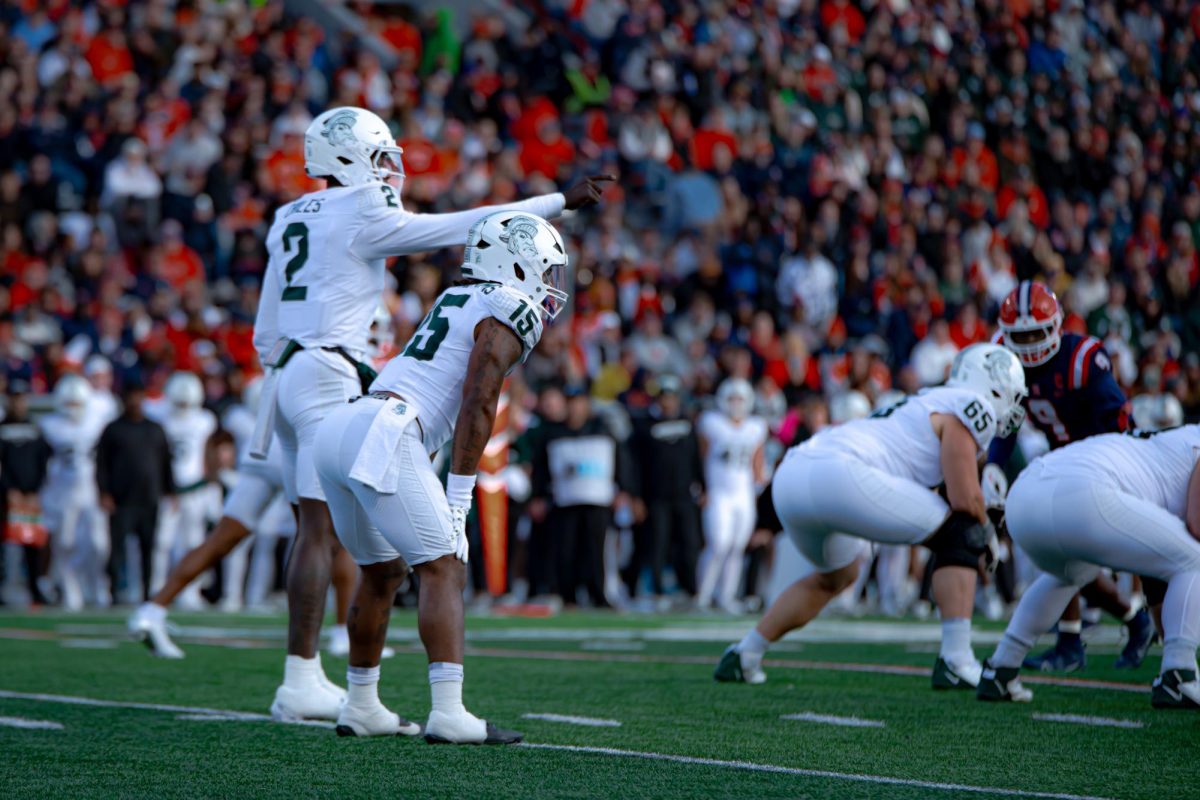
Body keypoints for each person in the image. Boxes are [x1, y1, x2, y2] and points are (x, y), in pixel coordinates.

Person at [252, 105, 612, 722]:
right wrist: (557, 202)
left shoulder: (290, 214)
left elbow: (266, 321)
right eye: (382, 155)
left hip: (291, 377)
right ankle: (406, 702)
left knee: (375, 564)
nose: (391, 170)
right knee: (432, 559)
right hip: (340, 379)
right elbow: (458, 227)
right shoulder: (382, 221)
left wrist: (281, 369)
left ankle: (358, 703)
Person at [314, 210, 568, 743]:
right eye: (544, 270)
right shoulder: (508, 305)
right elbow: (480, 398)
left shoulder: (460, 297)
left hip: (342, 429)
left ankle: (360, 704)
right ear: (516, 265)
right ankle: (449, 713)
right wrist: (460, 496)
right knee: (444, 567)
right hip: (387, 429)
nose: (549, 286)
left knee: (382, 572)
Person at [716, 344, 1026, 689]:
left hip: (793, 473)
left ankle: (745, 654)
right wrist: (986, 529)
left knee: (836, 575)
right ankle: (956, 658)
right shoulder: (970, 405)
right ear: (993, 386)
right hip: (841, 475)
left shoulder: (927, 399)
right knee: (963, 530)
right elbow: (963, 498)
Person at [990, 281, 1154, 672]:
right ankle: (1116, 625)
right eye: (1020, 336)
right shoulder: (1004, 358)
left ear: (1055, 326)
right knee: (1063, 552)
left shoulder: (1082, 357)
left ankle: (1150, 631)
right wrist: (994, 464)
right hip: (1061, 459)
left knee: (1087, 552)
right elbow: (1008, 422)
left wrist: (1112, 469)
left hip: (1103, 456)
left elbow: (1117, 420)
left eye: (1035, 333)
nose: (1028, 344)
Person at [978, 426, 1200, 709]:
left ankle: (1002, 667)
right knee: (1194, 558)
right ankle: (1179, 673)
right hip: (1084, 491)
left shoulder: (1172, 442)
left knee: (1069, 573)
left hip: (1025, 495)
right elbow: (1197, 523)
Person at [127, 377, 286, 659]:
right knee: (322, 537)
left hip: (245, 470)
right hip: (275, 459)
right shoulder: (235, 416)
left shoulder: (210, 419)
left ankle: (156, 606)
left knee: (215, 540)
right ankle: (331, 640)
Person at [530, 382, 633, 608]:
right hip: (565, 499)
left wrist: (623, 489)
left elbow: (620, 460)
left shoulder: (602, 428)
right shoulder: (552, 433)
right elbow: (541, 468)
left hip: (597, 499)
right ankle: (568, 595)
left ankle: (599, 594)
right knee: (566, 550)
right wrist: (538, 496)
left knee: (596, 551)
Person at [624, 375, 704, 601]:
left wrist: (702, 486)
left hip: (684, 495)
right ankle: (656, 590)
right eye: (664, 397)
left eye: (671, 397)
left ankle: (691, 589)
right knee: (657, 543)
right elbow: (636, 465)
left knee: (689, 543)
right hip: (655, 496)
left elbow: (695, 458)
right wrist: (635, 496)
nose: (668, 402)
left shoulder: (687, 424)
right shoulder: (643, 426)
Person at [96, 383, 175, 604]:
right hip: (121, 500)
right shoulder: (113, 429)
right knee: (117, 549)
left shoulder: (155, 428)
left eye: (139, 396)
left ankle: (147, 592)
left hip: (149, 498)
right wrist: (104, 492)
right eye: (131, 396)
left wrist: (171, 491)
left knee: (149, 548)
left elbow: (165, 462)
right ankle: (114, 592)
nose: (134, 401)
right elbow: (101, 464)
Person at [695, 378, 768, 613]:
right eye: (731, 399)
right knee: (718, 543)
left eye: (740, 399)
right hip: (718, 492)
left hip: (743, 494)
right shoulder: (711, 422)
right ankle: (704, 595)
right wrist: (701, 488)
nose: (736, 404)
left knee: (737, 546)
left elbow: (758, 463)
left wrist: (759, 493)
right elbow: (701, 456)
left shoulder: (756, 426)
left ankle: (726, 596)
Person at [146, 372, 218, 609]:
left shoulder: (205, 419)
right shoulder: (157, 414)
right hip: (168, 489)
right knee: (162, 542)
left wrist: (210, 484)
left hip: (194, 487)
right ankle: (157, 589)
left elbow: (208, 454)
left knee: (193, 541)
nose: (184, 407)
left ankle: (190, 591)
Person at [39, 375, 108, 610]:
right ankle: (71, 590)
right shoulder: (49, 425)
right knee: (65, 541)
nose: (73, 409)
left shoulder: (98, 422)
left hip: (92, 489)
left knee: (98, 543)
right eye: (69, 404)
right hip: (62, 491)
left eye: (77, 404)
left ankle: (98, 585)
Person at [0, 381, 52, 605]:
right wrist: (8, 488)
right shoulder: (2, 428)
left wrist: (35, 489)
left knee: (33, 543)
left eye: (21, 398)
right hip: (7, 496)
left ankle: (35, 588)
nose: (17, 403)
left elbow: (44, 461)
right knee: (4, 545)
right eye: (14, 398)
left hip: (30, 497)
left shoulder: (35, 428)